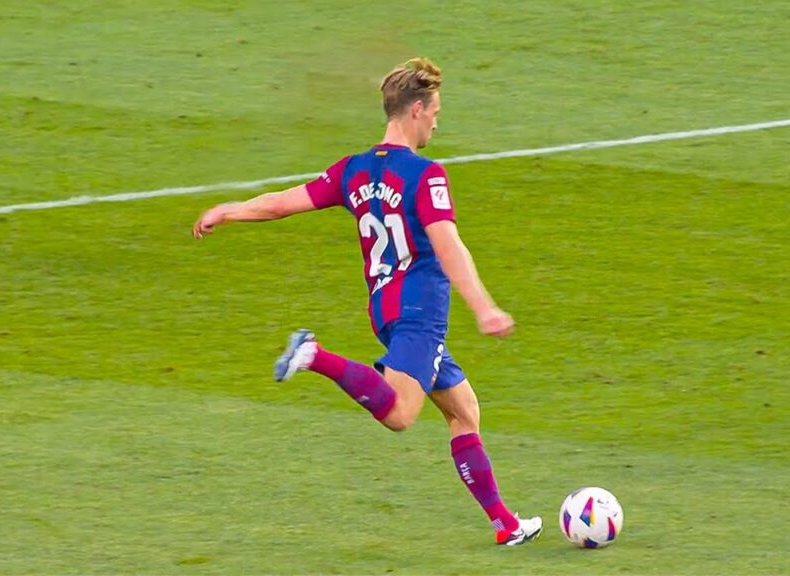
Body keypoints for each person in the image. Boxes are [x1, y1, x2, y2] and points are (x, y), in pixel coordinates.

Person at [192, 58, 542, 546]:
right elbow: (448, 245)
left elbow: (282, 203)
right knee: (400, 413)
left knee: (463, 410)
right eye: (435, 110)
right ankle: (313, 355)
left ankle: (505, 524)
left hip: (385, 308)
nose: (438, 121)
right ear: (416, 109)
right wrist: (484, 306)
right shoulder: (427, 175)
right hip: (419, 314)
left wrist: (230, 209)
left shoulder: (354, 170)